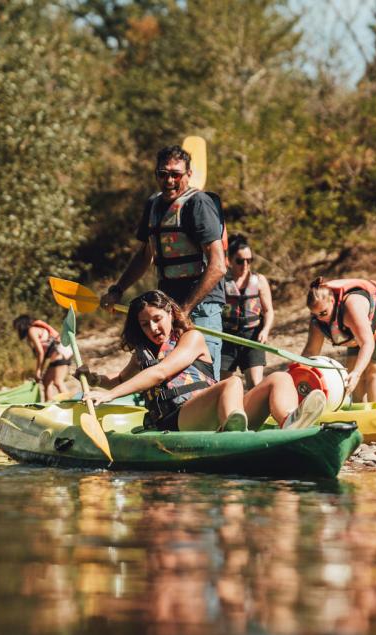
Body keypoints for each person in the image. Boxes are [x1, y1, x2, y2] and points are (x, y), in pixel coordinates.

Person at [80, 290, 326, 432]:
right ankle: (234, 435)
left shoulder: (192, 338)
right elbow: (120, 380)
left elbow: (161, 372)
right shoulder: (142, 354)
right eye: (145, 324)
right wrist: (95, 381)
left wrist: (109, 396)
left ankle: (291, 421)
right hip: (176, 418)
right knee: (232, 384)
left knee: (280, 378)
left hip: (214, 411)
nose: (153, 328)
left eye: (157, 319)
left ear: (171, 313)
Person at [100, 145, 226, 379]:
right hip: (168, 303)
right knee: (169, 373)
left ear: (188, 175)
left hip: (201, 306)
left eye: (176, 174)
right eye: (163, 174)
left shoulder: (199, 204)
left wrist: (186, 310)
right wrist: (117, 290)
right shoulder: (153, 205)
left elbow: (218, 266)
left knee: (203, 374)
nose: (169, 180)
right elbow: (145, 253)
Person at [302, 277, 376, 402]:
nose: (320, 318)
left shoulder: (352, 307)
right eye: (315, 314)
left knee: (374, 372)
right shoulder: (318, 319)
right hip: (362, 328)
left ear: (332, 300)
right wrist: (297, 373)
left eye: (323, 313)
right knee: (351, 371)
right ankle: (360, 414)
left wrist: (357, 373)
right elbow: (311, 352)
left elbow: (367, 343)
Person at [221, 234, 274, 389]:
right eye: (240, 261)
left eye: (249, 260)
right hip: (227, 337)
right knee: (223, 385)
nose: (245, 265)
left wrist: (265, 330)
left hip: (252, 336)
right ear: (229, 261)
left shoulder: (259, 280)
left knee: (256, 384)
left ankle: (254, 411)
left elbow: (269, 310)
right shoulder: (222, 282)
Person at [13, 315, 72, 400]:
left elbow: (40, 352)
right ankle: (49, 404)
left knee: (58, 382)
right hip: (62, 351)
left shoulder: (31, 330)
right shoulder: (36, 329)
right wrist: (40, 369)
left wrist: (38, 370)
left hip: (60, 353)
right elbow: (43, 354)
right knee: (46, 381)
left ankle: (71, 403)